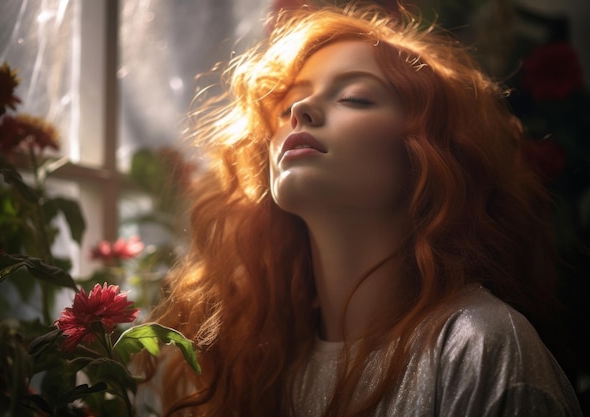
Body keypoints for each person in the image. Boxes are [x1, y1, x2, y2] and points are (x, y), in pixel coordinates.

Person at [138, 3, 584, 416]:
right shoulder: (254, 366)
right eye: (289, 101)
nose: (301, 110)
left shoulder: (479, 347)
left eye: (354, 97)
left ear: (429, 153)